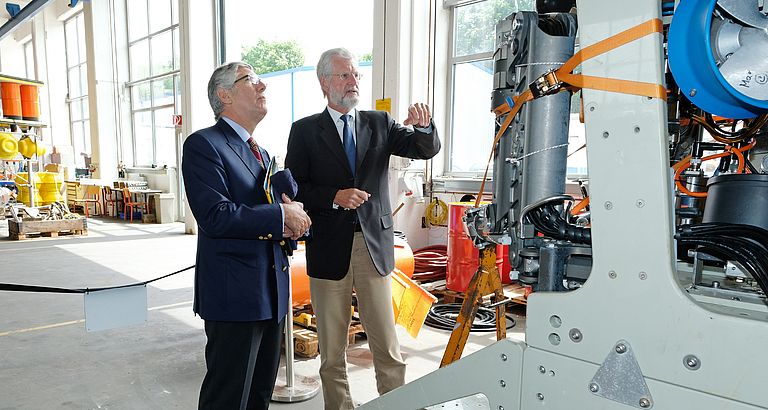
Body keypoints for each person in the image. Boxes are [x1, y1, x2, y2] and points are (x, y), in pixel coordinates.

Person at [285, 48, 440, 410]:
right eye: (344, 75)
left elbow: (423, 148)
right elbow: (294, 189)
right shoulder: (304, 131)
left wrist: (424, 127)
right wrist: (334, 196)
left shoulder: (379, 122)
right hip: (328, 248)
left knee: (386, 343)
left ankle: (396, 404)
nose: (353, 81)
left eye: (356, 74)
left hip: (373, 246)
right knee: (332, 349)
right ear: (325, 83)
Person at [182, 62, 311, 410]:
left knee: (258, 396)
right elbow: (215, 216)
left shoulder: (262, 153)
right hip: (235, 294)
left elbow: (265, 214)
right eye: (251, 80)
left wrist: (292, 220)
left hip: (271, 293)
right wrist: (281, 215)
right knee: (228, 398)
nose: (262, 86)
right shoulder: (204, 145)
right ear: (224, 95)